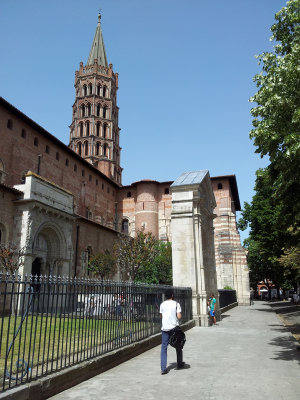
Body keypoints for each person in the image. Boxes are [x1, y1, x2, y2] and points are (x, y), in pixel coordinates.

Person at [159, 289, 185, 375]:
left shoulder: (162, 304)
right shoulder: (176, 304)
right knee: (178, 345)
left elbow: (161, 316)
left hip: (165, 328)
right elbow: (179, 316)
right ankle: (179, 363)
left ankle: (163, 368)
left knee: (164, 348)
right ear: (172, 295)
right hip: (174, 327)